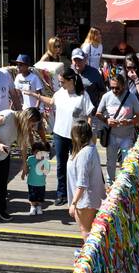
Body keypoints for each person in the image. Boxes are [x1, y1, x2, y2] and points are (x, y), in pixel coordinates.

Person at [27, 68, 94, 206]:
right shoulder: (60, 92)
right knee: (61, 165)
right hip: (59, 134)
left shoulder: (82, 95)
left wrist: (88, 133)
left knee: (76, 165)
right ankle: (61, 193)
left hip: (76, 136)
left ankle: (77, 193)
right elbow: (51, 102)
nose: (60, 84)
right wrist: (35, 95)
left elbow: (89, 116)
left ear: (71, 81)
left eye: (62, 82)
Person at [96, 71, 139, 184]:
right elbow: (98, 113)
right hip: (112, 135)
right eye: (112, 88)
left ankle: (124, 183)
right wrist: (107, 120)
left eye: (117, 88)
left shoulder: (131, 97)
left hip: (127, 136)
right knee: (111, 162)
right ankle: (110, 182)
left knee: (126, 161)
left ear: (124, 86)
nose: (114, 91)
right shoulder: (107, 96)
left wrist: (130, 121)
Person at [66, 117, 106, 238]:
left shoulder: (85, 154)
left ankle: (89, 256)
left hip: (85, 201)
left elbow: (82, 183)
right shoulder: (89, 147)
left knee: (86, 231)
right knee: (90, 231)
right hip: (87, 198)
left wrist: (74, 203)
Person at [24, 131, 51, 217]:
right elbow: (26, 166)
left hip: (41, 183)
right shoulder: (31, 159)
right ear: (33, 152)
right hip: (31, 181)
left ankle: (39, 206)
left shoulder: (45, 162)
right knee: (32, 195)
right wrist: (24, 172)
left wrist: (42, 165)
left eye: (41, 153)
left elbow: (46, 172)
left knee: (40, 196)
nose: (38, 154)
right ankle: (32, 206)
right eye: (36, 152)